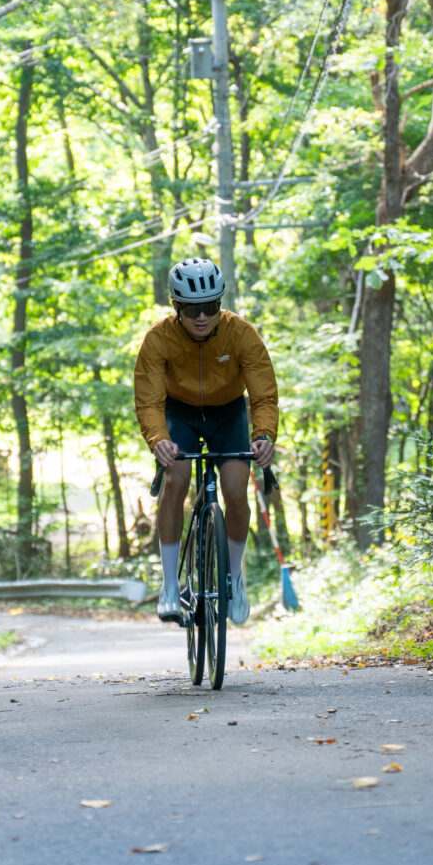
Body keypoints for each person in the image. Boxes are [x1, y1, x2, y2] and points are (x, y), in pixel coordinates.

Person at [133, 257, 278, 625]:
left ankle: (235, 577)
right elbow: (149, 400)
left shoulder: (241, 333)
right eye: (193, 308)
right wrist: (158, 440)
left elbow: (262, 395)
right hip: (178, 414)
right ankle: (169, 585)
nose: (202, 317)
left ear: (220, 304)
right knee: (176, 480)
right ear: (176, 306)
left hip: (228, 413)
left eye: (211, 307)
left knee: (234, 489)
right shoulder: (158, 339)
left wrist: (263, 435)